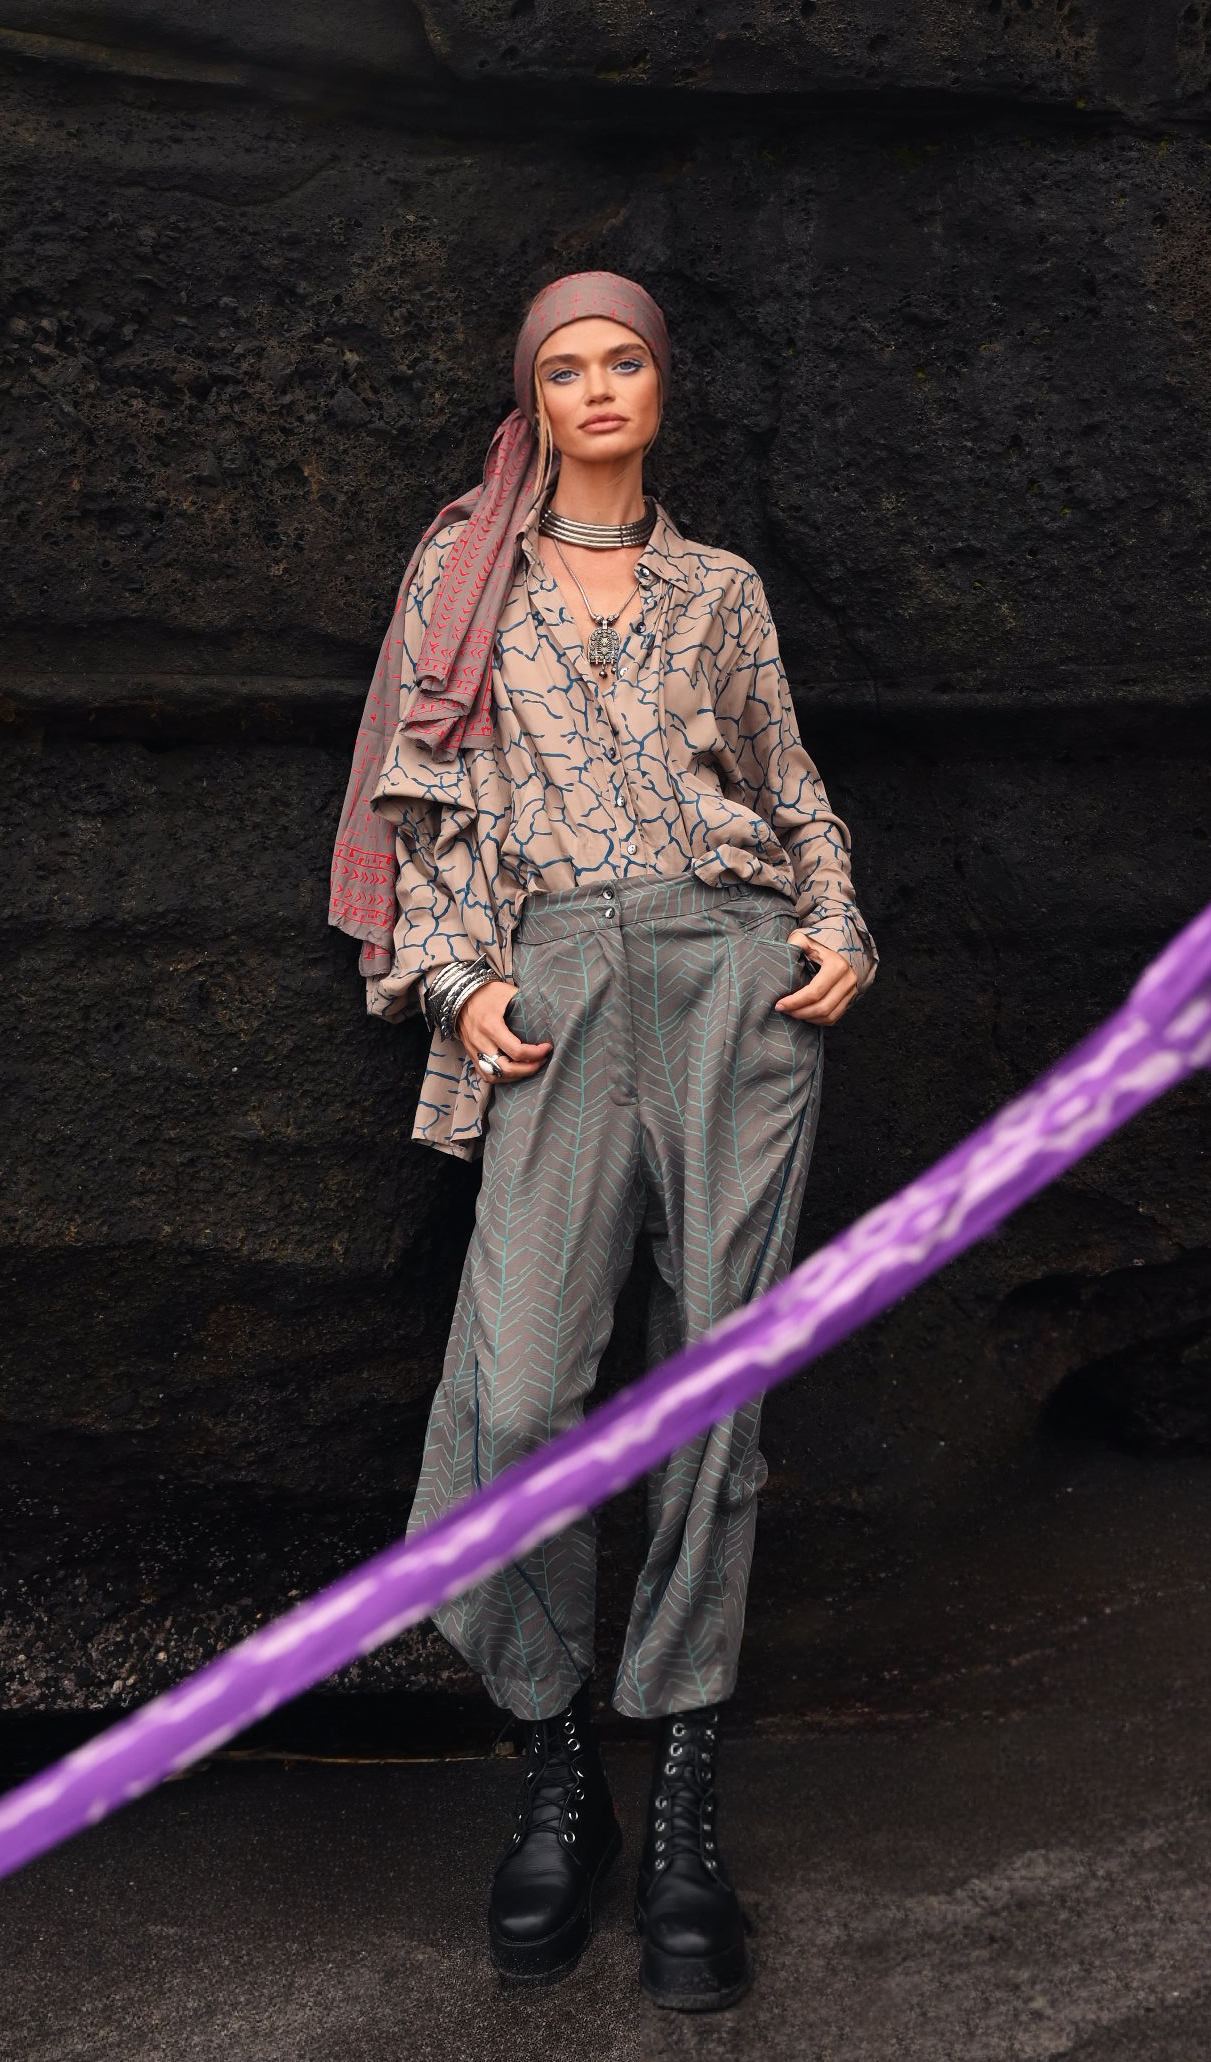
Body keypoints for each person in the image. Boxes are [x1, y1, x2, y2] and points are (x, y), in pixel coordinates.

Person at [329, 271, 877, 2011]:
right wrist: (458, 980)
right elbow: (427, 815)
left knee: (717, 1391)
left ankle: (686, 1798)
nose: (594, 387)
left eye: (622, 360)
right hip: (553, 984)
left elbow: (789, 787)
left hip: (732, 979)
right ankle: (556, 1760)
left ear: (658, 385)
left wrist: (837, 923)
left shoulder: (720, 589)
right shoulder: (461, 576)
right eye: (563, 367)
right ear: (533, 396)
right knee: (518, 1396)